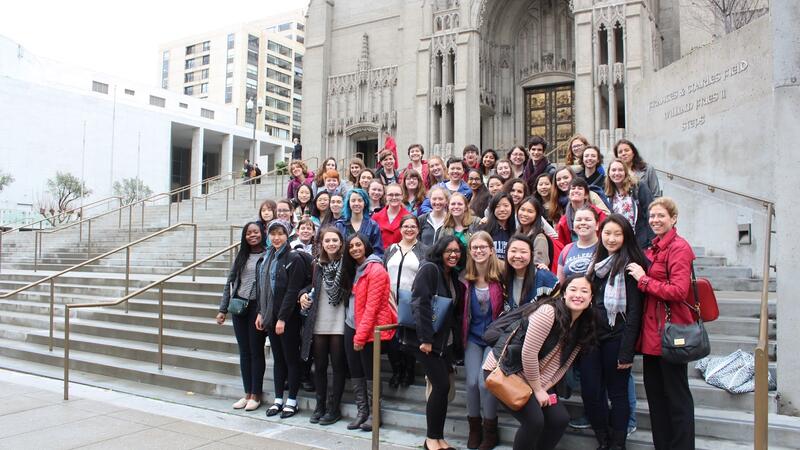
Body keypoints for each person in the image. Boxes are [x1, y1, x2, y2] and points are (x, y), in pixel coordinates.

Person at [482, 275, 597, 450]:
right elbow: (529, 353)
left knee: (559, 419)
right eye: (573, 289)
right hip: (505, 370)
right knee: (534, 421)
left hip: (536, 376)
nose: (578, 295)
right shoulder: (548, 312)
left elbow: (564, 365)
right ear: (564, 294)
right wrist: (537, 390)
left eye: (584, 291)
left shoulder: (584, 324)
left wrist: (544, 387)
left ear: (591, 298)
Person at [625, 197, 696, 450]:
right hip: (653, 334)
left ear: (673, 218)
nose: (655, 220)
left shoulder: (679, 248)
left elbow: (678, 291)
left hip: (672, 332)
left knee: (676, 398)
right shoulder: (653, 248)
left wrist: (644, 280)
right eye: (652, 216)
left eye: (661, 216)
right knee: (656, 398)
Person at [581, 214, 647, 450]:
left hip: (617, 337)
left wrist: (626, 352)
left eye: (617, 234)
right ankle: (603, 438)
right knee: (590, 390)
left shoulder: (631, 266)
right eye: (607, 233)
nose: (611, 238)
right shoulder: (596, 263)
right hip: (592, 336)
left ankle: (617, 444)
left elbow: (634, 313)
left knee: (617, 393)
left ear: (626, 236)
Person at [400, 235, 465, 450]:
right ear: (440, 251)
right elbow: (420, 302)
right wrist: (426, 338)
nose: (453, 255)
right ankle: (431, 440)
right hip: (426, 341)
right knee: (441, 386)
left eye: (457, 251)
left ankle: (439, 438)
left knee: (442, 389)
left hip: (443, 342)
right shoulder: (430, 269)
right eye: (449, 251)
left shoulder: (451, 276)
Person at [340, 233, 396, 431]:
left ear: (366, 246)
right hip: (350, 324)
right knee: (355, 371)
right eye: (351, 246)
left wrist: (361, 336)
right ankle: (362, 411)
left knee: (370, 372)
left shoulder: (376, 269)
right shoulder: (353, 269)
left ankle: (375, 414)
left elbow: (372, 308)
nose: (355, 249)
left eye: (358, 245)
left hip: (369, 330)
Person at [255, 219, 307, 419]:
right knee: (278, 359)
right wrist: (261, 311)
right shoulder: (267, 257)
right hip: (270, 316)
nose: (276, 238)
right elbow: (263, 288)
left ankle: (291, 401)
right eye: (273, 234)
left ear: (288, 235)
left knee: (291, 359)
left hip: (287, 318)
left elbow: (292, 290)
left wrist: (283, 318)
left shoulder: (293, 257)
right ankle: (278, 399)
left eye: (280, 233)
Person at [462, 232, 506, 450]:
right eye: (474, 247)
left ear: (491, 249)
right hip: (472, 337)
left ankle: (490, 430)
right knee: (471, 383)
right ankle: (474, 428)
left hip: (494, 339)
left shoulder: (502, 274)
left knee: (484, 382)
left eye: (482, 247)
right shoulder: (465, 278)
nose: (478, 251)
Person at [299, 227, 348, 425]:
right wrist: (301, 294)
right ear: (321, 243)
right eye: (327, 241)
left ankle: (334, 407)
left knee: (337, 366)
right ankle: (320, 405)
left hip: (339, 319)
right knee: (319, 366)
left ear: (341, 242)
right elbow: (308, 286)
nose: (331, 244)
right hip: (319, 319)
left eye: (334, 240)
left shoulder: (347, 264)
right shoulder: (316, 264)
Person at [217, 222, 267, 412]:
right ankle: (247, 393)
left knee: (256, 350)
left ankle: (256, 394)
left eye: (255, 232)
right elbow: (230, 282)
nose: (252, 235)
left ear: (262, 233)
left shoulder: (268, 254)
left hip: (256, 307)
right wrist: (223, 309)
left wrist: (263, 311)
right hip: (239, 306)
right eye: (248, 233)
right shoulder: (241, 255)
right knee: (244, 351)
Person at [384, 215, 427, 389]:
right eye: (406, 226)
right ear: (400, 229)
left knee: (408, 340)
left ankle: (408, 371)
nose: (409, 229)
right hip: (390, 301)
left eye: (413, 226)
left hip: (411, 301)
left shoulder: (424, 250)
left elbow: (425, 276)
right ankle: (397, 371)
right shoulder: (391, 249)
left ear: (418, 229)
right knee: (392, 341)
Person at [605, 158, 656, 249]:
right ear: (609, 173)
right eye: (613, 170)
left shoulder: (638, 187)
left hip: (639, 241)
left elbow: (650, 212)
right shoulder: (608, 193)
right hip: (618, 242)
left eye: (620, 170)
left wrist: (651, 240)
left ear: (626, 172)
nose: (617, 173)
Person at [505, 234, 558, 307]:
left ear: (532, 254)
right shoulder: (503, 277)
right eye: (513, 251)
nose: (517, 256)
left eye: (523, 252)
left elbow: (559, 307)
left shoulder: (545, 278)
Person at [556, 178, 608, 245]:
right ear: (568, 195)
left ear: (586, 195)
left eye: (580, 188)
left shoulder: (599, 214)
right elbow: (562, 246)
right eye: (573, 188)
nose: (576, 191)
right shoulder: (563, 222)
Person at [335, 188, 385, 257]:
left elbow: (378, 251)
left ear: (365, 203)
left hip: (367, 264)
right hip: (344, 265)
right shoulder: (340, 225)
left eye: (360, 200)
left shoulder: (373, 226)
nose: (356, 203)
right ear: (348, 203)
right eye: (353, 200)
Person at [557, 206, 600, 282]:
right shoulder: (567, 249)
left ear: (597, 225)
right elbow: (560, 283)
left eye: (588, 220)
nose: (583, 223)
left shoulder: (604, 248)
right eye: (578, 220)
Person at [516, 196, 556, 268]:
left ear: (537, 215)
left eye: (530, 211)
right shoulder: (517, 233)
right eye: (522, 209)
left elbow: (539, 267)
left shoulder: (540, 238)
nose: (524, 214)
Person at [480, 192, 516, 261]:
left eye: (506, 205)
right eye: (497, 206)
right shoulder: (484, 230)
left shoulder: (516, 231)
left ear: (512, 207)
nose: (502, 209)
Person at [372, 183, 406, 248]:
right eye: (390, 195)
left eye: (397, 195)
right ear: (386, 196)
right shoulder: (376, 217)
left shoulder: (409, 218)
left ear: (402, 196)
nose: (394, 197)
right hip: (380, 256)